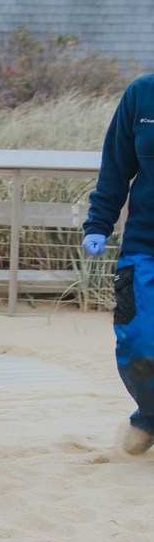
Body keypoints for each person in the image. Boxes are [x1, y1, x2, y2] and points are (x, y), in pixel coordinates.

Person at [82, 75, 154, 457]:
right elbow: (116, 165)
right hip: (145, 245)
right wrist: (99, 223)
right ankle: (150, 416)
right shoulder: (142, 94)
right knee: (138, 342)